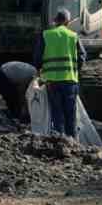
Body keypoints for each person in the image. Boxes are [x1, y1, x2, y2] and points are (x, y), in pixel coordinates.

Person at [32, 9, 87, 138]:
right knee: (70, 116)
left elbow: (37, 58)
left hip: (52, 82)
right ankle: (73, 145)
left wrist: (41, 72)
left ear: (55, 21)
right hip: (70, 81)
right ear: (67, 21)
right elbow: (82, 57)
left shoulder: (46, 35)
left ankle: (60, 143)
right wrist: (75, 70)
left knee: (57, 115)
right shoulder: (73, 36)